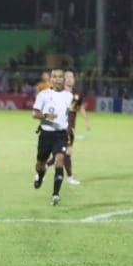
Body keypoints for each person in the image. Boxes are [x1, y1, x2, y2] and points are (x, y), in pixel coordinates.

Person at [32, 68, 73, 205]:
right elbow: (34, 114)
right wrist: (45, 116)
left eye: (60, 76)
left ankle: (55, 195)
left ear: (63, 79)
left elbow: (67, 113)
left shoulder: (69, 96)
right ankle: (40, 175)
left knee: (59, 160)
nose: (57, 79)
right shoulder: (43, 95)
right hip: (45, 134)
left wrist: (67, 128)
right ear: (51, 79)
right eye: (54, 76)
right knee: (40, 164)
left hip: (60, 134)